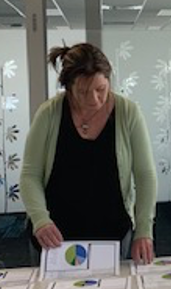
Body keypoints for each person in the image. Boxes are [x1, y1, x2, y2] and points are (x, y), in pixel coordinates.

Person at [20, 43, 157, 265]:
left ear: (109, 81)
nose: (93, 99)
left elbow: (145, 175)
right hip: (54, 237)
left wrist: (144, 229)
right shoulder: (48, 114)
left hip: (112, 234)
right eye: (83, 91)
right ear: (68, 87)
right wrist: (40, 219)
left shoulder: (128, 113)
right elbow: (30, 174)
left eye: (100, 89)